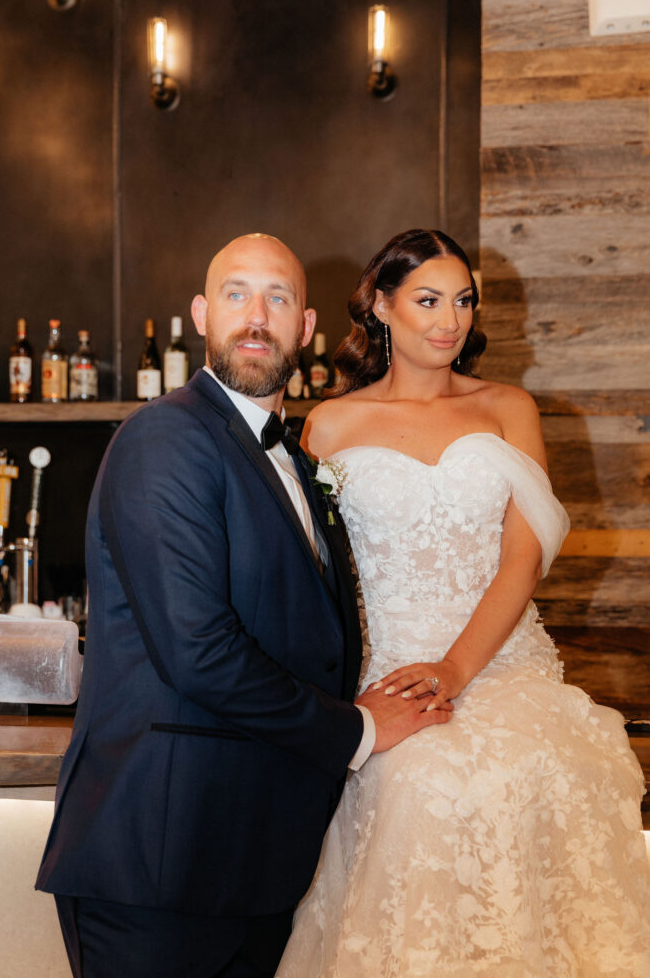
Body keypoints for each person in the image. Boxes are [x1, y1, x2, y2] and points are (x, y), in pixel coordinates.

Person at [35, 233, 453, 978]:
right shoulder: (164, 437)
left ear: (306, 327)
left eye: (278, 298)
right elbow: (199, 651)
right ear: (201, 313)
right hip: (161, 863)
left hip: (258, 864)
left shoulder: (297, 460)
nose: (255, 316)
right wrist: (357, 729)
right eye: (236, 294)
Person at [277, 228, 650, 977]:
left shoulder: (508, 407)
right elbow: (312, 573)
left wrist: (454, 667)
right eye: (426, 300)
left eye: (462, 301)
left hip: (500, 659)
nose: (449, 320)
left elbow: (523, 554)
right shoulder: (327, 424)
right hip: (385, 667)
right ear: (381, 307)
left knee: (541, 766)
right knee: (419, 782)